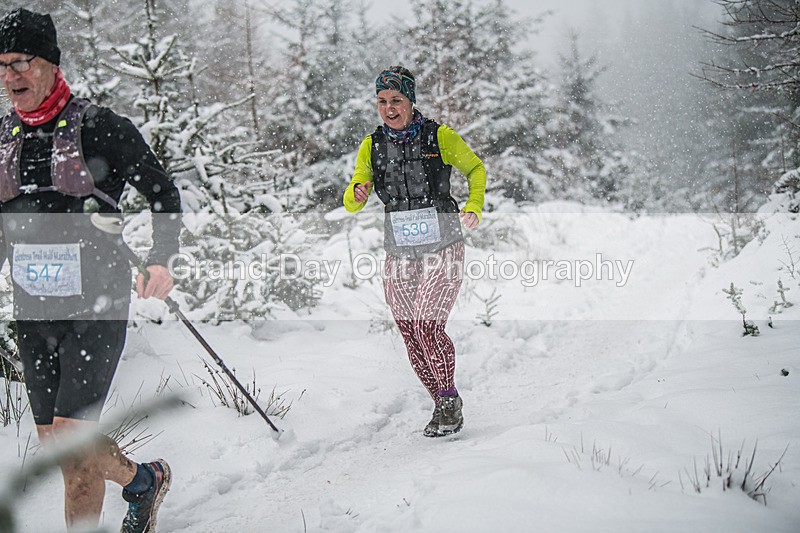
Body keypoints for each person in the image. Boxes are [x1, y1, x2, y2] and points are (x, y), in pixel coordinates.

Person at [0, 9, 180, 531]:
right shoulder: (5, 138)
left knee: (73, 445)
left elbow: (163, 194)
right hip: (33, 310)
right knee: (55, 442)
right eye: (2, 66)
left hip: (94, 305)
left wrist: (160, 258)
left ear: (51, 64)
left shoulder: (101, 128)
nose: (10, 77)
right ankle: (143, 482)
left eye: (22, 64)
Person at [343, 66, 486, 437]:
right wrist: (357, 192)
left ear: (410, 101)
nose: (389, 108)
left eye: (396, 100)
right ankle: (441, 402)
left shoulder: (439, 136)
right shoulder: (371, 145)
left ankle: (450, 399)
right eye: (382, 101)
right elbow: (352, 199)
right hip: (399, 249)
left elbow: (475, 168)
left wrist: (474, 205)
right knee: (409, 329)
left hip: (443, 242)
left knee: (427, 324)